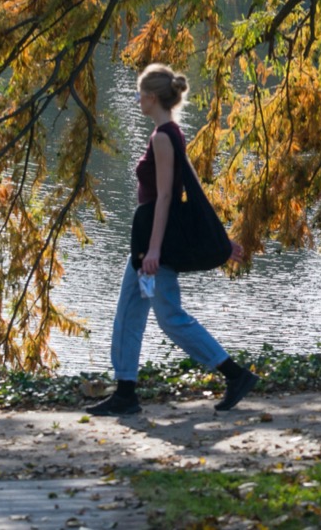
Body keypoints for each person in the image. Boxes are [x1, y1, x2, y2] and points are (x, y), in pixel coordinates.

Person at [86, 63, 259, 416]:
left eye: (138, 95)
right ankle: (125, 391)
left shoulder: (163, 137)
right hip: (147, 239)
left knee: (169, 316)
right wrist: (222, 241)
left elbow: (167, 196)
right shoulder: (171, 133)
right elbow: (193, 189)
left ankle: (234, 374)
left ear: (151, 98)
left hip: (154, 241)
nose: (137, 100)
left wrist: (153, 250)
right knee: (129, 312)